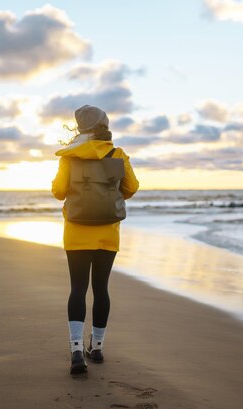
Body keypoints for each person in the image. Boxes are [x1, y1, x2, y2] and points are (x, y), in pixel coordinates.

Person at [51, 105, 139, 375]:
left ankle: (77, 351)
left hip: (76, 231)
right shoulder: (117, 154)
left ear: (80, 128)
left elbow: (58, 191)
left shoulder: (70, 156)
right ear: (104, 124)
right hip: (107, 232)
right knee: (101, 289)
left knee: (78, 289)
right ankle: (97, 348)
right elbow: (132, 188)